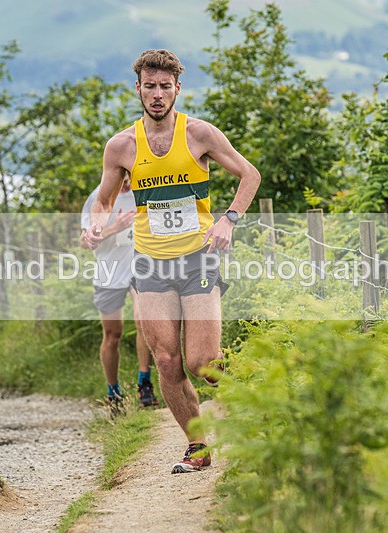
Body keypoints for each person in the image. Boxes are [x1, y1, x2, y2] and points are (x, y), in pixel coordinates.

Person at [84, 49, 261, 474]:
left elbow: (249, 175)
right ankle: (197, 446)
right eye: (150, 86)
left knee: (203, 362)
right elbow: (104, 200)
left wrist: (229, 220)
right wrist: (95, 225)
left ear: (177, 88)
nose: (158, 94)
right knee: (165, 360)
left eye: (166, 86)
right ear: (139, 89)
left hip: (198, 260)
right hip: (149, 265)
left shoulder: (199, 134)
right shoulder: (122, 146)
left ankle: (257, 397)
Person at [80, 175, 159, 414]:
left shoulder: (146, 191)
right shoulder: (99, 197)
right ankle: (113, 392)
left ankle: (144, 382)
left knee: (142, 321)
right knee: (113, 335)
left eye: (130, 176)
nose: (126, 182)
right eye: (121, 176)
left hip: (140, 268)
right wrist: (116, 227)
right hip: (109, 271)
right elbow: (85, 242)